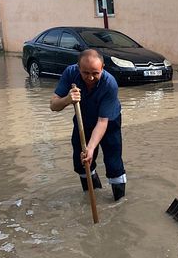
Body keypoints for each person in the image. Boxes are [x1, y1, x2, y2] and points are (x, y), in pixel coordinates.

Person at [50, 49, 126, 201]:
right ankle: (92, 196)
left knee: (113, 162)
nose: (90, 78)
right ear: (78, 67)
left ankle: (119, 203)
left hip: (108, 121)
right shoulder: (70, 73)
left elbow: (102, 122)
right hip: (83, 120)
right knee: (82, 162)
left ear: (103, 67)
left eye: (95, 73)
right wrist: (67, 100)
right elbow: (53, 105)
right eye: (85, 73)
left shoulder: (110, 84)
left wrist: (90, 148)